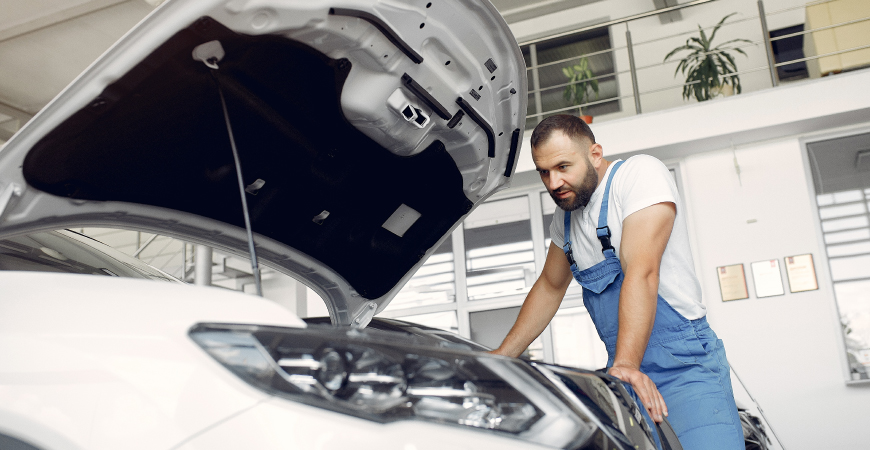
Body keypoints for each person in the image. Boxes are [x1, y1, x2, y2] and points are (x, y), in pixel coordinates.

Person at [490, 115, 743, 449]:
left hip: (685, 369)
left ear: (595, 154)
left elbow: (642, 270)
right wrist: (499, 359)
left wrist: (627, 363)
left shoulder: (639, 176)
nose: (553, 183)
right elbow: (550, 287)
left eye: (563, 166)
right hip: (624, 375)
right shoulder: (565, 219)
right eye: (544, 172)